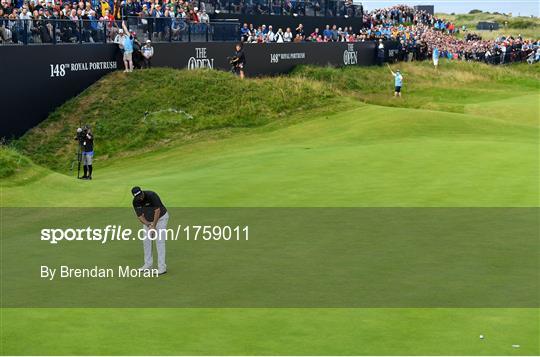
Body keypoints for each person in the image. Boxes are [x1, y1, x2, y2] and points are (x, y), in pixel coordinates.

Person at [131, 186, 169, 275]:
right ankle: (148, 264)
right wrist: (148, 224)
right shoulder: (135, 201)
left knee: (159, 241)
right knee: (146, 241)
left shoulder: (151, 195)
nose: (140, 197)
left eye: (140, 195)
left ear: (142, 192)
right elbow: (140, 216)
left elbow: (157, 210)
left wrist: (153, 226)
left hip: (161, 219)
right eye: (137, 196)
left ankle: (162, 267)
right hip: (149, 222)